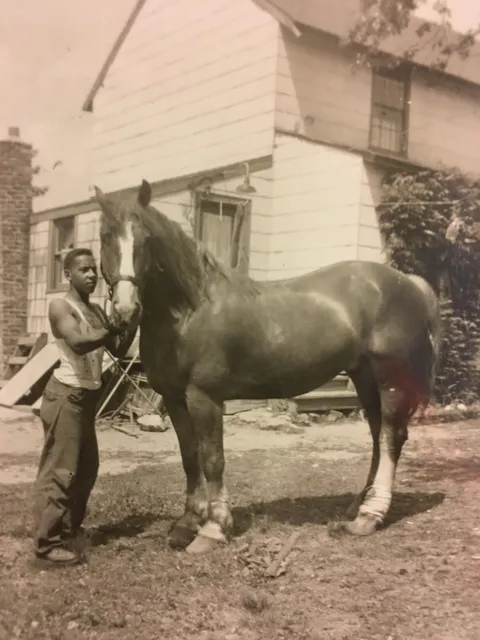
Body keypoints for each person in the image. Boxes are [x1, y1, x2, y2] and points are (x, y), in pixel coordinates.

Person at [32, 247, 137, 568]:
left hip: (86, 398)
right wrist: (113, 328)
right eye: (84, 270)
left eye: (94, 270)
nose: (91, 275)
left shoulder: (95, 310)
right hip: (66, 395)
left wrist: (132, 319)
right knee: (61, 470)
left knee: (86, 468)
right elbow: (78, 343)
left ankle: (68, 530)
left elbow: (117, 349)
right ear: (68, 275)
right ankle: (47, 546)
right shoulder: (59, 306)